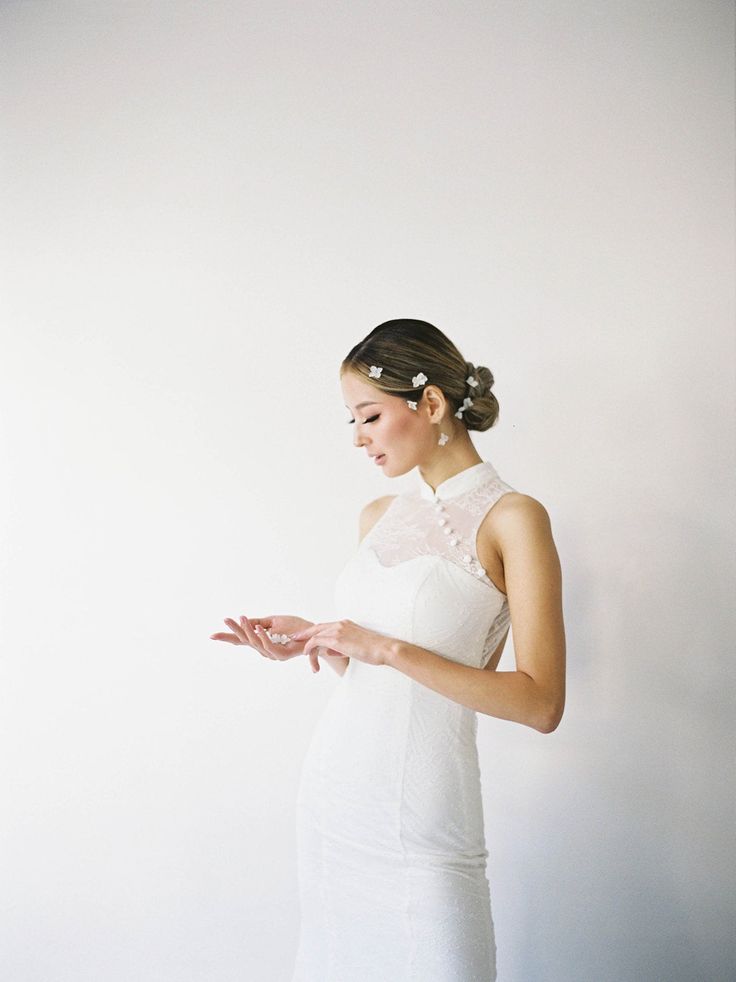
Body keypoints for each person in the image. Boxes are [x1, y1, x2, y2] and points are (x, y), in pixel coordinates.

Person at [210, 318, 566, 981]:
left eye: (369, 415)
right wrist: (318, 640)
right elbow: (384, 672)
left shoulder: (515, 519)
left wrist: (386, 648)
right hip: (335, 798)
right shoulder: (379, 516)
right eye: (351, 421)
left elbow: (540, 703)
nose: (358, 438)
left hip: (425, 816)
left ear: (431, 405)